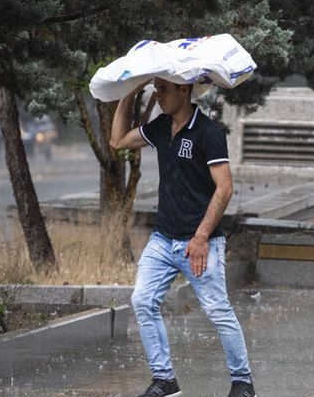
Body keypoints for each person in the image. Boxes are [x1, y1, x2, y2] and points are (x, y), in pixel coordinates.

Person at [111, 78, 255, 397]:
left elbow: (225, 187)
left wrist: (202, 236)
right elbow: (118, 140)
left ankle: (243, 382)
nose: (158, 96)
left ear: (184, 90)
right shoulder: (161, 127)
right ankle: (165, 381)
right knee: (143, 300)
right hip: (163, 240)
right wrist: (129, 93)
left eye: (163, 90)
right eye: (155, 89)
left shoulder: (208, 132)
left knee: (218, 309)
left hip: (200, 242)